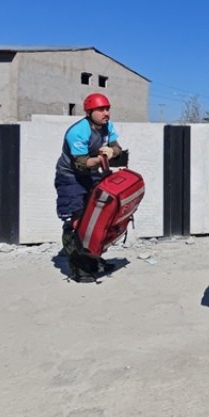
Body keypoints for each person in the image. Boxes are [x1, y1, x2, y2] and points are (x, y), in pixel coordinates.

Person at [54, 92, 123, 282]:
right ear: (89, 111)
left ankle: (94, 260)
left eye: (107, 108)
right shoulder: (78, 131)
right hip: (71, 178)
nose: (106, 113)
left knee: (97, 219)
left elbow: (118, 148)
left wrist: (113, 151)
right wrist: (103, 158)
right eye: (101, 109)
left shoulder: (107, 127)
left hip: (92, 176)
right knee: (75, 222)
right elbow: (81, 163)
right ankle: (79, 268)